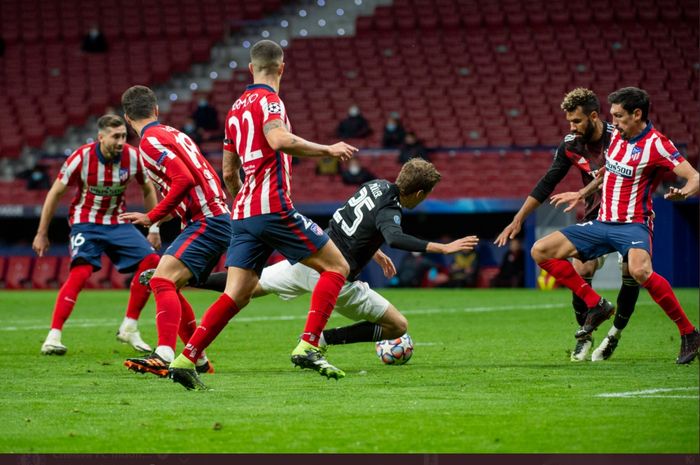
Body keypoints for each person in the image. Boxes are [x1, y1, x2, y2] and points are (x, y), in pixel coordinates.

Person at [142, 158, 478, 366]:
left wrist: (371, 248)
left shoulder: (374, 186)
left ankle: (180, 278)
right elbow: (395, 237)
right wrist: (443, 248)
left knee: (246, 285)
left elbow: (347, 218)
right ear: (419, 194)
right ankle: (324, 339)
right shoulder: (392, 209)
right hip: (336, 278)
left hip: (310, 258)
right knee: (398, 326)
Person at [165, 39, 358, 390]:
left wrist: (246, 204)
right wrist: (328, 149)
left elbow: (227, 173)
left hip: (242, 213)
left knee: (237, 293)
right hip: (273, 207)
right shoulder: (271, 101)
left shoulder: (235, 109)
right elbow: (280, 140)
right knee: (337, 267)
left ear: (251, 69)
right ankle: (309, 344)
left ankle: (185, 357)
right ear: (281, 68)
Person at [532, 87, 700, 365]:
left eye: (619, 116)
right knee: (540, 250)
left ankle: (689, 332)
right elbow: (607, 172)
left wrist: (685, 192)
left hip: (633, 225)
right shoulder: (619, 139)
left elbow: (694, 176)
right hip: (602, 223)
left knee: (639, 271)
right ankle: (597, 305)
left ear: (637, 114)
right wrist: (581, 194)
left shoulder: (657, 144)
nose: (614, 122)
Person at [495, 88, 640, 361]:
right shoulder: (572, 145)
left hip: (628, 213)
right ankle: (584, 335)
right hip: (596, 213)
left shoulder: (620, 137)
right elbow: (547, 182)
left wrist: (581, 193)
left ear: (594, 116)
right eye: (569, 121)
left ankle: (614, 336)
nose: (571, 127)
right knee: (580, 267)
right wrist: (518, 219)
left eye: (576, 121)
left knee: (632, 270)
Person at [119, 85, 231, 377]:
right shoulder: (173, 133)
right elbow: (188, 181)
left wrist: (151, 215)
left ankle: (164, 353)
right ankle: (201, 361)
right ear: (155, 110)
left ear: (127, 119)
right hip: (213, 217)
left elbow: (184, 180)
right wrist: (156, 220)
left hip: (207, 220)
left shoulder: (150, 142)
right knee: (167, 283)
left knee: (160, 280)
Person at [32, 115, 161, 356]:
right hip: (86, 223)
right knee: (80, 273)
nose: (121, 141)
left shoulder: (133, 157)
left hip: (117, 222)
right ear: (101, 137)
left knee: (152, 262)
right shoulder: (81, 157)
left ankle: (130, 327)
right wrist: (42, 233)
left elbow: (147, 188)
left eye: (124, 135)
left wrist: (153, 227)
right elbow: (55, 193)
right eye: (115, 136)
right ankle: (53, 336)